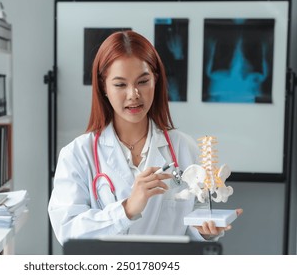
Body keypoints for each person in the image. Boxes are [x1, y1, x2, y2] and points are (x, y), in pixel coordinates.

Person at [48, 30, 242, 245]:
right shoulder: (77, 154)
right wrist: (128, 209)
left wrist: (205, 232)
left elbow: (194, 223)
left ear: (155, 80)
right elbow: (67, 232)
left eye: (142, 81)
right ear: (103, 87)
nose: (133, 95)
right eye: (120, 84)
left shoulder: (183, 148)